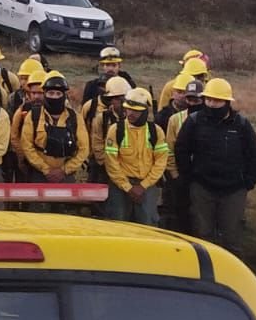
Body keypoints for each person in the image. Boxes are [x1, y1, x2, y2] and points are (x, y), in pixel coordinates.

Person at [174, 78, 256, 251]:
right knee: (202, 234)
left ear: (227, 102)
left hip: (234, 190)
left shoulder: (241, 124)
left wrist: (248, 182)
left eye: (217, 100)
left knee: (231, 237)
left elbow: (254, 154)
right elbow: (181, 150)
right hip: (202, 188)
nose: (212, 104)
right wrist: (189, 178)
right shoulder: (194, 122)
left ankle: (231, 267)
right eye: (209, 100)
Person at [103, 87, 167, 225]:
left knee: (148, 225)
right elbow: (111, 163)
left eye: (136, 111)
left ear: (145, 111)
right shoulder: (116, 130)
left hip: (147, 185)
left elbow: (161, 162)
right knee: (117, 224)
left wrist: (143, 186)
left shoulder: (156, 132)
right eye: (128, 109)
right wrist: (128, 187)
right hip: (120, 185)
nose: (130, 113)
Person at [17, 73, 89, 184]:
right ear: (44, 94)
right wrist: (46, 170)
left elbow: (84, 149)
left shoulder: (75, 118)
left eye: (58, 93)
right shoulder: (33, 116)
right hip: (38, 174)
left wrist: (64, 170)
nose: (54, 97)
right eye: (50, 93)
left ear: (64, 95)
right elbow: (27, 146)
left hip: (66, 175)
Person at [157, 74, 201, 232]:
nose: (190, 102)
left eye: (196, 100)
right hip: (178, 175)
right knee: (175, 209)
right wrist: (174, 174)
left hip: (201, 178)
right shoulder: (171, 118)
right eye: (189, 98)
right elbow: (168, 148)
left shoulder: (209, 120)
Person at [83, 75, 132, 184]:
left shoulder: (134, 118)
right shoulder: (102, 118)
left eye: (124, 99)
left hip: (128, 167)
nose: (122, 103)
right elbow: (97, 144)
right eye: (117, 99)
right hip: (103, 168)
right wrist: (108, 165)